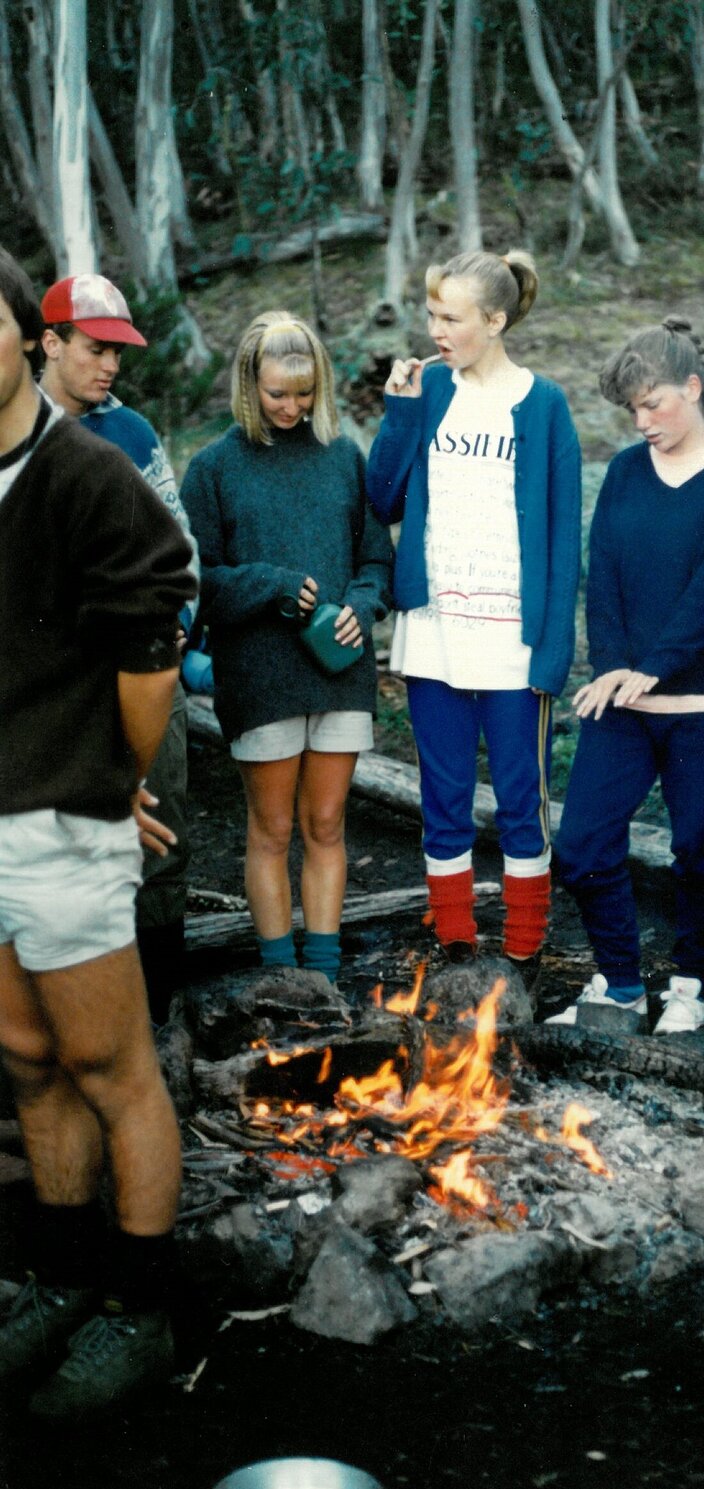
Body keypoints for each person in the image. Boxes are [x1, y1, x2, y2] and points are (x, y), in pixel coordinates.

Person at [0, 249, 196, 1416]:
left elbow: (148, 648)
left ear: (28, 334)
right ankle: (60, 1276)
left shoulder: (83, 477)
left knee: (112, 1066)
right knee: (24, 1058)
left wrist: (108, 776)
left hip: (61, 825)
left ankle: (142, 1305)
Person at [366, 250, 581, 986]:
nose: (436, 329)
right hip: (434, 633)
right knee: (443, 791)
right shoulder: (428, 391)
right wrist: (397, 411)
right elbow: (385, 496)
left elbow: (562, 534)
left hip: (514, 643)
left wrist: (553, 646)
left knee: (523, 795)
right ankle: (454, 937)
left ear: (495, 319)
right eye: (431, 315)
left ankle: (525, 944)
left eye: (451, 317)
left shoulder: (543, 403)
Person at [551, 318, 704, 1033]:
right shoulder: (623, 471)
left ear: (694, 388)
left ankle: (690, 983)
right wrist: (615, 666)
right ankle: (619, 983)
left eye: (655, 404)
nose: (643, 421)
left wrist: (652, 667)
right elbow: (604, 574)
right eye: (633, 410)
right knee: (582, 845)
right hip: (627, 696)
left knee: (699, 849)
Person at [182, 311, 392, 987]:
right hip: (262, 675)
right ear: (250, 385)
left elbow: (375, 560)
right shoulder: (213, 468)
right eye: (277, 394)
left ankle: (323, 977)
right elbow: (197, 583)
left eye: (304, 393)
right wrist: (271, 586)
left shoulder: (342, 458)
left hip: (339, 669)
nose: (292, 407)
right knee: (272, 828)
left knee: (326, 822)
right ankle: (281, 978)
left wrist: (361, 606)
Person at [38, 272, 200, 1024]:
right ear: (50, 342)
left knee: (160, 838)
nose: (110, 366)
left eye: (119, 352)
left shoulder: (131, 433)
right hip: (51, 691)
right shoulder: (17, 434)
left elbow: (182, 549)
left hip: (144, 671)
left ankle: (158, 1024)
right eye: (96, 349)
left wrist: (173, 628)